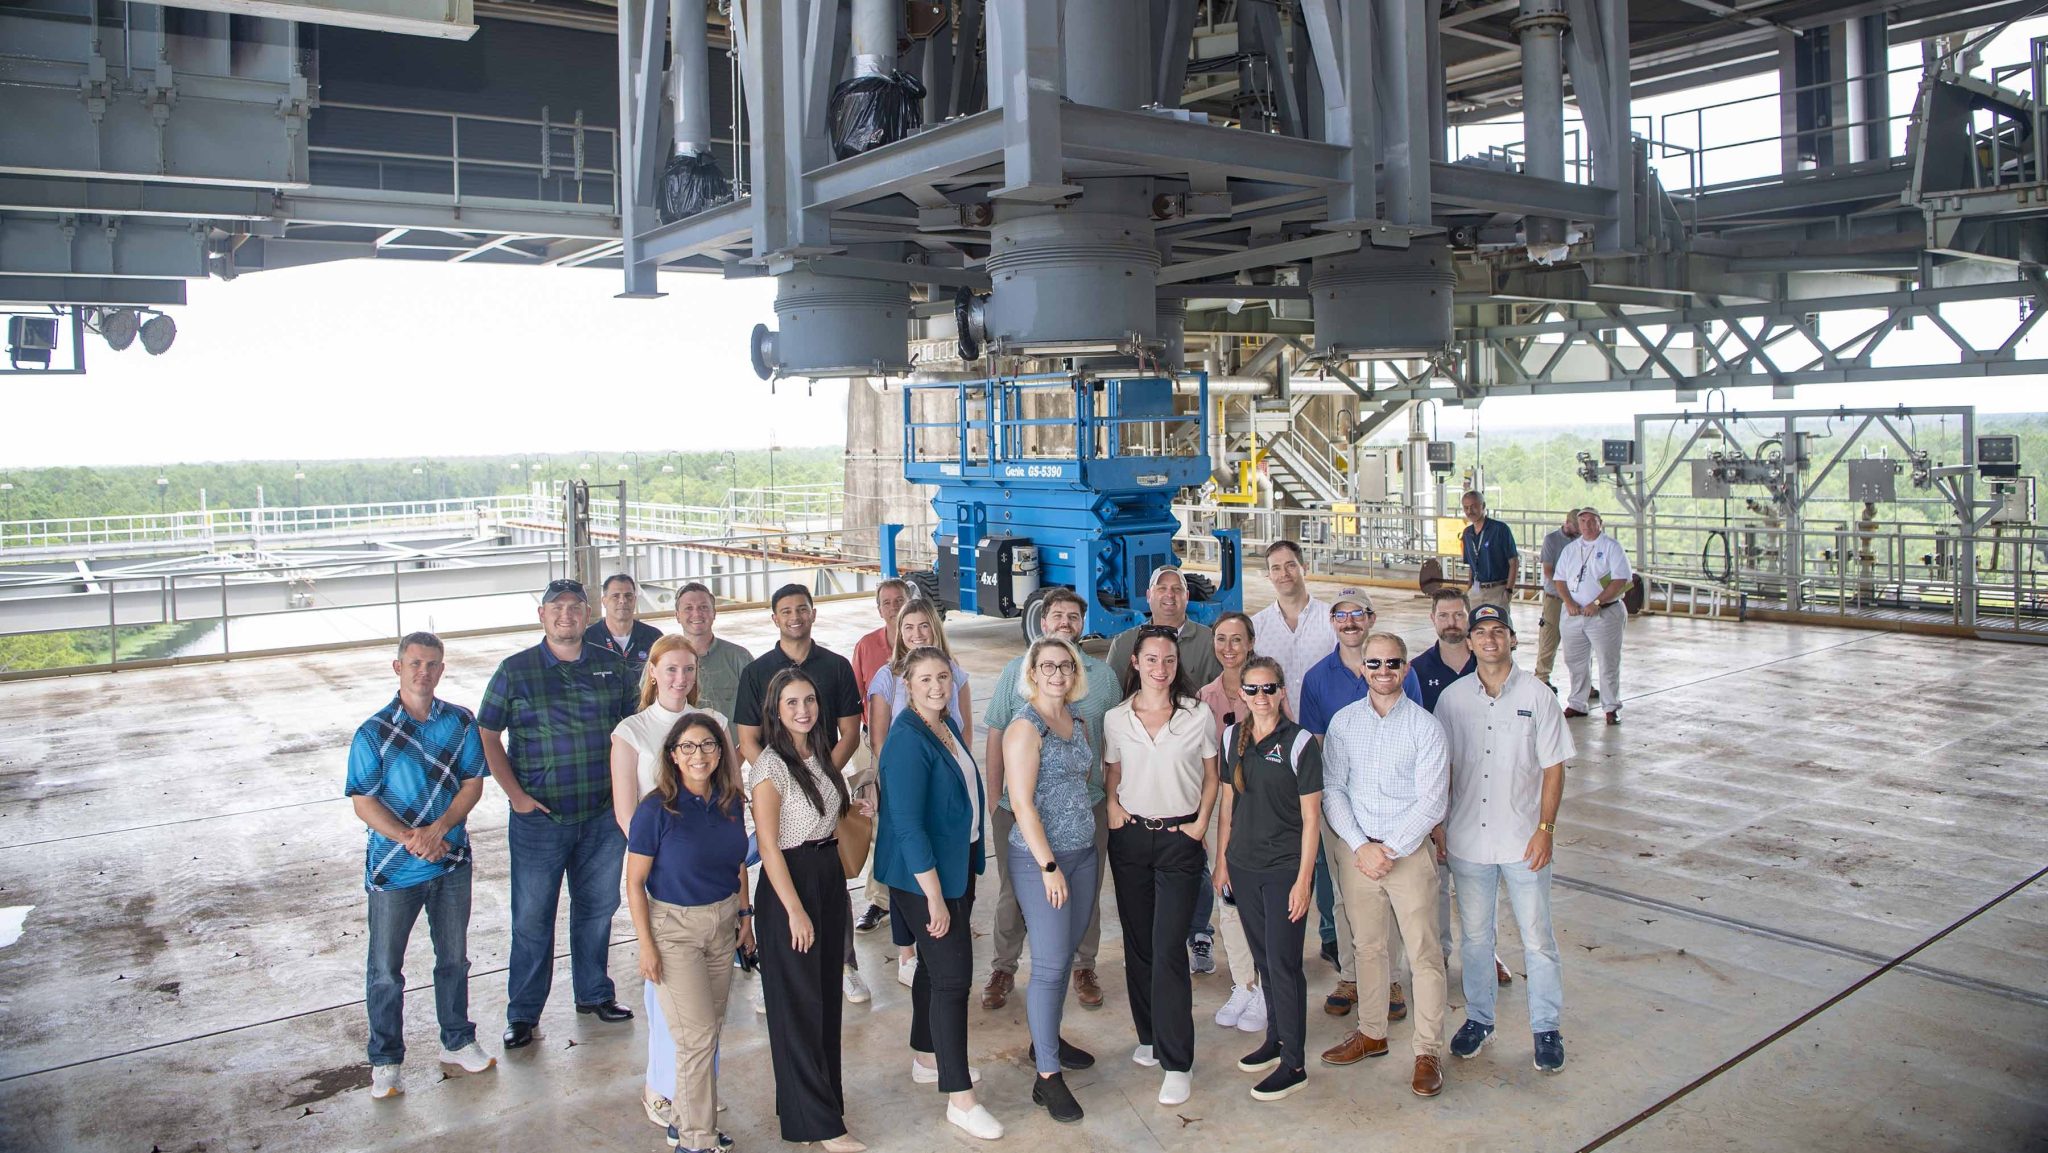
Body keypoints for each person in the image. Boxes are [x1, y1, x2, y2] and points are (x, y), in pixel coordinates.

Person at [479, 579, 640, 1050]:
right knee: (532, 918)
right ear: (541, 615)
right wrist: (515, 796)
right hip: (539, 822)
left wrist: (624, 798)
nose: (566, 614)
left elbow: (631, 732)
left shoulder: (613, 667)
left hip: (601, 817)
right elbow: (488, 734)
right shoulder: (516, 671)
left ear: (589, 614)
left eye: (575, 607)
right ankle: (524, 1014)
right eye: (557, 607)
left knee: (597, 910)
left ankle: (593, 993)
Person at [348, 632, 495, 1099]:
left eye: (432, 664)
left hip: (451, 862)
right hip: (394, 870)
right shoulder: (372, 732)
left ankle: (457, 1040)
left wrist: (439, 830)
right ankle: (386, 1060)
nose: (423, 672)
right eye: (414, 663)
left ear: (442, 668)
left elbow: (473, 783)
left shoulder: (460, 722)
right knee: (386, 970)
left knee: (453, 958)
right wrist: (411, 837)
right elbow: (363, 801)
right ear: (398, 668)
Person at [1437, 605, 1575, 1074]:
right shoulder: (1453, 700)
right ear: (1470, 642)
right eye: (1481, 632)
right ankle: (1479, 1019)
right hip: (1467, 842)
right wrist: (1439, 828)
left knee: (1537, 939)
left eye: (1499, 631)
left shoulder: (1539, 697)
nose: (1490, 639)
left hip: (1524, 843)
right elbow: (1445, 770)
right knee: (1476, 938)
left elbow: (1554, 768)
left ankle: (1546, 1027)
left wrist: (1546, 830)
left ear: (1513, 640)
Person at [874, 648, 1004, 1140]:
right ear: (906, 684)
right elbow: (906, 824)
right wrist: (931, 896)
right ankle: (960, 1098)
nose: (936, 686)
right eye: (925, 678)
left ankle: (927, 1057)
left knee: (932, 968)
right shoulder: (907, 740)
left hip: (953, 869)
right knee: (953, 979)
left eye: (943, 676)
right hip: (922, 877)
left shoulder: (943, 723)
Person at [1318, 633, 1451, 1099]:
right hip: (1359, 854)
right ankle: (1372, 1033)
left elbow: (1432, 799)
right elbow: (1333, 788)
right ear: (1363, 669)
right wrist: (1360, 845)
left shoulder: (1425, 727)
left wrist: (1388, 848)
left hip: (1407, 854)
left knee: (1423, 955)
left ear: (1406, 667)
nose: (1382, 670)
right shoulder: (1343, 723)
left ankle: (1427, 1051)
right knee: (1369, 948)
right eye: (1374, 662)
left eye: (1392, 662)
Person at [611, 634, 735, 1126]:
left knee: (705, 1013)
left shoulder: (714, 725)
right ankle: (661, 1090)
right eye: (671, 670)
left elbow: (729, 796)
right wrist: (672, 859)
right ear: (654, 674)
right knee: (667, 1005)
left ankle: (696, 1090)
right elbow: (627, 813)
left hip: (710, 882)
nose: (680, 679)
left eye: (688, 670)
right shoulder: (632, 731)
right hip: (663, 880)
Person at [980, 587, 1120, 1014]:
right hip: (1019, 809)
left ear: (1082, 624)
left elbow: (1113, 745)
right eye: (1057, 615)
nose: (1065, 623)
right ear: (1044, 621)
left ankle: (1084, 966)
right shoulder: (1015, 673)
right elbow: (997, 736)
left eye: (1073, 617)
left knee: (1086, 892)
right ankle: (1004, 966)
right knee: (1012, 893)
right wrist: (993, 800)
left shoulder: (1103, 678)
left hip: (1087, 804)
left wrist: (1110, 798)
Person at [732, 584, 869, 1002]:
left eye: (802, 609)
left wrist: (822, 771)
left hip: (825, 781)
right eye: (786, 610)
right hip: (783, 786)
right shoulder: (757, 672)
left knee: (832, 875)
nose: (795, 616)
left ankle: (843, 963)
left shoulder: (836, 665)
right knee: (780, 868)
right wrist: (782, 779)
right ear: (774, 618)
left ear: (814, 613)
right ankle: (778, 970)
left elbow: (849, 731)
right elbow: (747, 738)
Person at [749, 668, 866, 1153]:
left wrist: (856, 812)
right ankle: (820, 1127)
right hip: (789, 887)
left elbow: (829, 820)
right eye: (792, 702)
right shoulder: (769, 766)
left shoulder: (819, 757)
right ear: (776, 710)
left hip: (826, 878)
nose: (804, 710)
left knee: (823, 1002)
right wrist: (794, 911)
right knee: (797, 1007)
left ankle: (818, 1106)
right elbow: (770, 847)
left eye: (810, 700)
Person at [1102, 627, 1219, 1106]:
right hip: (1130, 838)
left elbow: (1212, 776)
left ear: (1177, 665)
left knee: (1169, 946)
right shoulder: (1115, 719)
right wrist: (1111, 803)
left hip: (1179, 840)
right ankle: (1149, 1036)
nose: (1160, 668)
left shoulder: (1198, 715)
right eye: (1151, 659)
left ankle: (1177, 1061)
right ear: (1135, 662)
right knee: (1139, 943)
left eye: (1168, 660)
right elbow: (1113, 768)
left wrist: (1200, 824)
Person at [625, 714, 751, 1153]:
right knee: (695, 1037)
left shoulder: (731, 800)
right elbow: (634, 883)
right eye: (689, 747)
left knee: (707, 1032)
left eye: (709, 746)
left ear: (721, 752)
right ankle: (697, 1141)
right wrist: (646, 945)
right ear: (673, 755)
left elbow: (738, 863)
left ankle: (685, 1122)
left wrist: (745, 916)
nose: (699, 755)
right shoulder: (655, 809)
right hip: (673, 930)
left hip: (721, 925)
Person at [999, 637, 1102, 1123]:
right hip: (1043, 862)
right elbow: (1021, 804)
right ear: (1033, 672)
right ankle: (1046, 1077)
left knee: (1067, 950)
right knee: (1050, 964)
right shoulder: (1025, 727)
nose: (1057, 673)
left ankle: (1050, 1036)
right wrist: (1048, 866)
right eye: (1047, 666)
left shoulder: (1077, 720)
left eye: (1065, 665)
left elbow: (1079, 785)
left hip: (1082, 853)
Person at [1214, 656, 1323, 1103]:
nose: (1261, 697)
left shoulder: (1299, 744)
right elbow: (1227, 808)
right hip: (1243, 866)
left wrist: (1302, 882)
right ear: (1242, 695)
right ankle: (1276, 1041)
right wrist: (1222, 863)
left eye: (1269, 689)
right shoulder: (1231, 739)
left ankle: (1294, 1063)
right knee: (1263, 962)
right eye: (1252, 690)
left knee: (1284, 964)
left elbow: (1312, 820)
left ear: (1282, 692)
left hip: (1284, 871)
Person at [1400, 590, 1512, 992]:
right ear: (1432, 620)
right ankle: (1440, 952)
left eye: (1458, 614)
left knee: (1483, 875)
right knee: (1437, 877)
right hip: (1434, 790)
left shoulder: (1488, 666)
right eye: (1443, 614)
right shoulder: (1414, 671)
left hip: (1483, 787)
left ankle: (1486, 952)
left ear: (1468, 621)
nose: (1451, 621)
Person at [864, 599, 972, 988]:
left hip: (944, 779)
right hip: (908, 777)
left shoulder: (954, 674)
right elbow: (880, 738)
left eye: (923, 626)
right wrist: (881, 785)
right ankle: (905, 951)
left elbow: (965, 731)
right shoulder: (888, 678)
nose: (916, 634)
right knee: (906, 858)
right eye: (908, 627)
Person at [1248, 541, 1339, 974]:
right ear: (1268, 575)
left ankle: (1332, 936)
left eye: (1290, 565)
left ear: (1303, 568)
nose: (1283, 573)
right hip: (1279, 753)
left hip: (1328, 747)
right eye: (1275, 568)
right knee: (1297, 843)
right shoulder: (1259, 626)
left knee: (1327, 847)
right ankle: (1289, 936)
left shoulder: (1329, 619)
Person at [1295, 587, 1379, 1020]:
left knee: (1390, 894)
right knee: (1345, 896)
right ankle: (1350, 974)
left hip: (1389, 805)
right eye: (1341, 615)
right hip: (1341, 806)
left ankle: (1390, 981)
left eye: (1357, 614)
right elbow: (1318, 745)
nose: (1349, 622)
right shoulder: (1317, 678)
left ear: (1372, 618)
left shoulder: (1393, 668)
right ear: (1333, 623)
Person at [1193, 612, 1269, 1033]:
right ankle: (1244, 983)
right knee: (1228, 900)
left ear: (1251, 642)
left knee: (1261, 903)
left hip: (1265, 812)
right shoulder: (1205, 697)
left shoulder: (1266, 688)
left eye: (1237, 640)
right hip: (1224, 808)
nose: (1228, 648)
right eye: (1221, 639)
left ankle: (1266, 986)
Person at [851, 579, 911, 936]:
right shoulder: (866, 646)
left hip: (916, 750)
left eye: (899, 600)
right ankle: (878, 899)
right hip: (872, 745)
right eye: (886, 602)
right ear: (878, 609)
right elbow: (857, 697)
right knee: (875, 822)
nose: (893, 607)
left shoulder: (922, 641)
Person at [1554, 509, 1632, 725]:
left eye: (1591, 521)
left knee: (1607, 661)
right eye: (1582, 521)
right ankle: (1578, 703)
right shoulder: (1571, 549)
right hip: (1573, 613)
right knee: (1575, 661)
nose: (1587, 525)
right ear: (1577, 525)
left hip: (1604, 614)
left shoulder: (1611, 547)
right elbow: (1559, 579)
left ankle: (1611, 707)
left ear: (1600, 523)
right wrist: (1569, 602)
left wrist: (1597, 603)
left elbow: (1620, 580)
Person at [1106, 566, 1223, 687]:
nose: (1170, 594)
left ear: (1187, 596)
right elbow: (1110, 698)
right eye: (1162, 588)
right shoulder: (1124, 644)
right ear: (1148, 596)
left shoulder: (1210, 642)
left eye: (1177, 589)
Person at [675, 582, 753, 720]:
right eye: (688, 608)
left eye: (703, 607)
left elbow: (759, 707)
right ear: (677, 616)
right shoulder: (663, 659)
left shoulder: (740, 658)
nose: (697, 613)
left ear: (714, 613)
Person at [1535, 509, 1582, 689]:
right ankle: (1542, 676)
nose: (1579, 533)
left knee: (1580, 640)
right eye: (1576, 529)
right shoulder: (1552, 540)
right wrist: (1565, 590)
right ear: (1567, 523)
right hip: (1555, 597)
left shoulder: (1582, 541)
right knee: (1549, 637)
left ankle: (1583, 681)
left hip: (1576, 597)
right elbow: (1548, 571)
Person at [1460, 491, 1519, 626]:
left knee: (1499, 627)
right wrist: (1468, 588)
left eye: (1474, 506)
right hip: (1476, 590)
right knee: (1475, 628)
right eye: (1466, 507)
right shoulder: (1467, 533)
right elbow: (1471, 564)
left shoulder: (1499, 529)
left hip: (1497, 589)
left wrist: (1509, 590)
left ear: (1483, 506)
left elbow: (1514, 561)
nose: (1470, 511)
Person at [588, 572, 664, 676]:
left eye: (628, 596)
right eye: (615, 596)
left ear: (635, 600)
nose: (623, 601)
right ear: (604, 601)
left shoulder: (654, 637)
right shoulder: (588, 639)